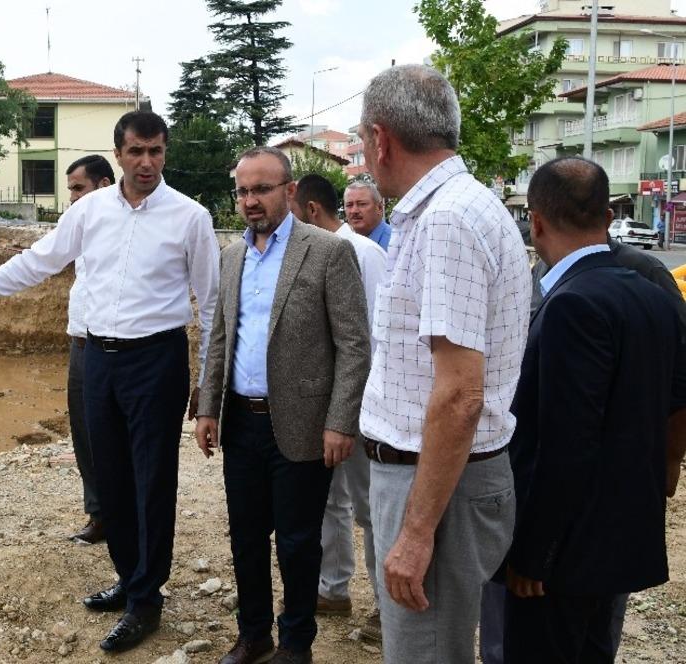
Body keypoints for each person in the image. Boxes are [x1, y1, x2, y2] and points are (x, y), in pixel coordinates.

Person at [0, 111, 220, 654]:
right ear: (119, 153)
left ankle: (147, 599)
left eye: (155, 151)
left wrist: (207, 383)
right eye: (136, 152)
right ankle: (130, 578)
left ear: (165, 153)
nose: (146, 162)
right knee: (110, 479)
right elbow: (37, 261)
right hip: (97, 360)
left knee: (151, 482)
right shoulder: (91, 212)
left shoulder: (190, 217)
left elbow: (213, 303)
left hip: (156, 360)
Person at [356, 64, 530, 664]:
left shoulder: (447, 221)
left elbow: (460, 395)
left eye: (360, 140)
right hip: (439, 478)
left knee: (426, 655)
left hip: (434, 485)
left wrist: (415, 531)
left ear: (381, 140)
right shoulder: (460, 206)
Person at [480, 168, 686, 664]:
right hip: (619, 538)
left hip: (562, 558)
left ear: (536, 222)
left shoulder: (572, 304)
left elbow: (565, 447)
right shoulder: (653, 295)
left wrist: (533, 554)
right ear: (608, 216)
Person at [196, 147, 370, 664]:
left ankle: (296, 644)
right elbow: (220, 337)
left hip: (301, 424)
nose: (250, 201)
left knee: (297, 543)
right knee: (247, 537)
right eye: (243, 191)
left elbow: (355, 344)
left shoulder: (328, 252)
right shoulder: (232, 256)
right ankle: (253, 635)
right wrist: (207, 407)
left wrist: (341, 422)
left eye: (261, 189)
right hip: (242, 423)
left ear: (289, 192)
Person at [290, 174, 386, 640]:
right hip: (323, 406)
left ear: (310, 211)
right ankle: (333, 589)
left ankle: (390, 609)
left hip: (365, 407)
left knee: (372, 508)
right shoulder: (310, 255)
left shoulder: (364, 255)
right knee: (331, 501)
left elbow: (372, 339)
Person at [63, 154, 114, 544]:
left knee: (112, 438)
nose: (72, 198)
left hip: (112, 349)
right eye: (70, 191)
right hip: (78, 342)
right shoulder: (80, 226)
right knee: (84, 434)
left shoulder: (125, 229)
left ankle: (123, 516)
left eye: (78, 188)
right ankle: (99, 514)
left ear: (104, 184)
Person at [343, 181, 390, 252]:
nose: (354, 211)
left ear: (379, 208)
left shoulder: (396, 242)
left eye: (362, 204)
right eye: (349, 205)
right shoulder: (345, 244)